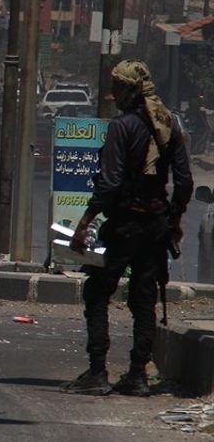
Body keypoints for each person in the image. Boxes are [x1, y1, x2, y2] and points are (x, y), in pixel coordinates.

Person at [64, 60, 192, 397]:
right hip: (156, 226)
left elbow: (109, 184)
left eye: (117, 87)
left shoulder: (122, 127)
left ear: (130, 90)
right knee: (144, 298)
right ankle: (137, 375)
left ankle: (97, 372)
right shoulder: (170, 125)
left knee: (97, 292)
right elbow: (184, 182)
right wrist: (174, 220)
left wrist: (84, 223)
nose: (113, 93)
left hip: (125, 224)